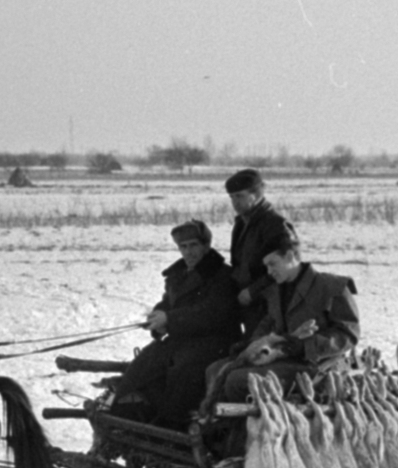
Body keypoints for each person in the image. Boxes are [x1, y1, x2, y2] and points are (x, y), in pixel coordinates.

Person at [205, 224, 360, 405]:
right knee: (214, 370)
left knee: (236, 381)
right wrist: (250, 346)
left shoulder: (331, 287)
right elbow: (268, 322)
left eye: (272, 264)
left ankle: (246, 429)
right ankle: (219, 425)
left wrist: (304, 346)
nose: (269, 272)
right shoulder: (276, 290)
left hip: (315, 366)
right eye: (266, 266)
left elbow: (348, 335)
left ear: (290, 256)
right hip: (281, 359)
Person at [108, 220, 241, 428]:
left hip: (216, 342)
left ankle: (175, 426)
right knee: (144, 364)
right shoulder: (177, 275)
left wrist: (170, 320)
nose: (188, 252)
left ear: (206, 246)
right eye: (183, 247)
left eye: (194, 245)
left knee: (183, 370)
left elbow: (211, 314)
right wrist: (158, 316)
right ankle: (131, 417)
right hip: (181, 338)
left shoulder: (222, 275)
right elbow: (168, 302)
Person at [223, 168, 293, 335]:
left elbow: (286, 267)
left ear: (255, 195)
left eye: (239, 196)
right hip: (247, 301)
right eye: (231, 197)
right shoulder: (242, 222)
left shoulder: (274, 224)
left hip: (268, 303)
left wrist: (253, 291)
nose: (234, 202)